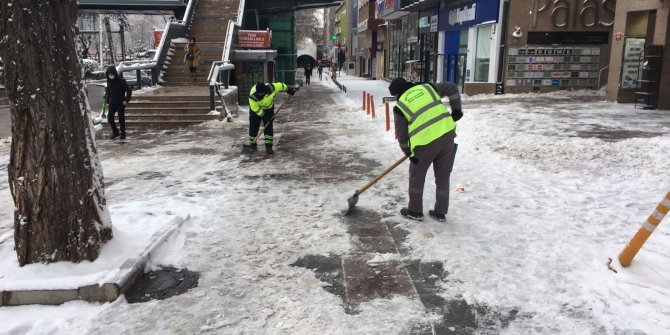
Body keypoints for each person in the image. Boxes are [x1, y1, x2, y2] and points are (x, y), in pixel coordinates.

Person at [387, 77, 463, 222]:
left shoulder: (400, 106)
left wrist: (409, 153)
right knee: (443, 176)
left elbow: (402, 136)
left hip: (425, 144)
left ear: (397, 94)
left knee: (416, 176)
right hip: (447, 136)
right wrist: (457, 111)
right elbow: (451, 87)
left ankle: (415, 211)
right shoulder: (427, 88)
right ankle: (440, 212)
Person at [248, 82, 296, 154]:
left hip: (269, 109)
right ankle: (253, 145)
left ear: (265, 91)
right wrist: (264, 115)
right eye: (259, 93)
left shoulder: (271, 88)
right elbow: (255, 108)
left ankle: (269, 147)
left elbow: (280, 86)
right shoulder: (252, 95)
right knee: (253, 127)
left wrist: (288, 89)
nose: (260, 94)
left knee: (268, 127)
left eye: (262, 93)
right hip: (256, 111)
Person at [105, 65, 132, 140]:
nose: (110, 76)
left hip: (120, 103)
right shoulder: (109, 82)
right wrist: (108, 101)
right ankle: (115, 132)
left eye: (111, 74)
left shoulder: (121, 81)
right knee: (110, 118)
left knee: (121, 119)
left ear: (115, 73)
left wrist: (126, 100)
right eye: (109, 74)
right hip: (112, 103)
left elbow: (129, 91)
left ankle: (123, 133)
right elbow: (108, 92)